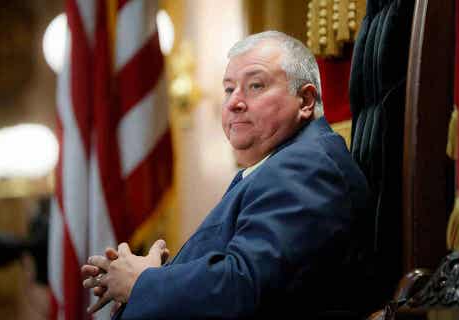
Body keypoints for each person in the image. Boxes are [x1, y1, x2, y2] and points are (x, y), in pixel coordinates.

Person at [82, 30, 369, 318]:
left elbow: (244, 286)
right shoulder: (279, 166)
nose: (234, 102)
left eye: (255, 86)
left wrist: (141, 282)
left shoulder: (307, 166)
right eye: (229, 89)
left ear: (305, 100)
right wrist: (155, 273)